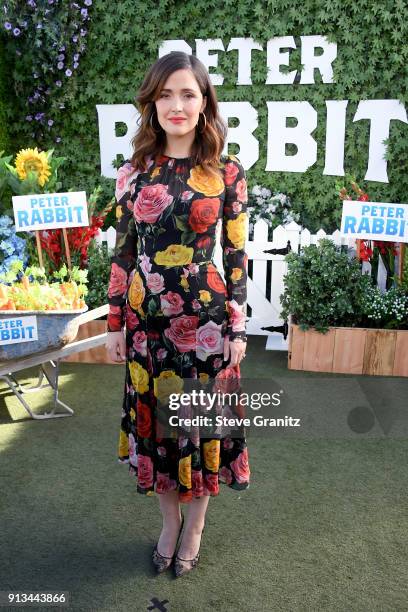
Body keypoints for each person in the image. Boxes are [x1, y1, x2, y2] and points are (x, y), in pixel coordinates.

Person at [105, 51, 250, 577]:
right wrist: (115, 322)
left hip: (208, 324)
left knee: (199, 427)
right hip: (148, 327)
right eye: (165, 94)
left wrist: (237, 325)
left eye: (188, 93)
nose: (176, 105)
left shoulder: (227, 172)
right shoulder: (134, 172)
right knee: (160, 431)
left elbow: (235, 253)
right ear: (152, 102)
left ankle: (195, 527)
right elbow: (123, 252)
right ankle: (169, 524)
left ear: (205, 100)